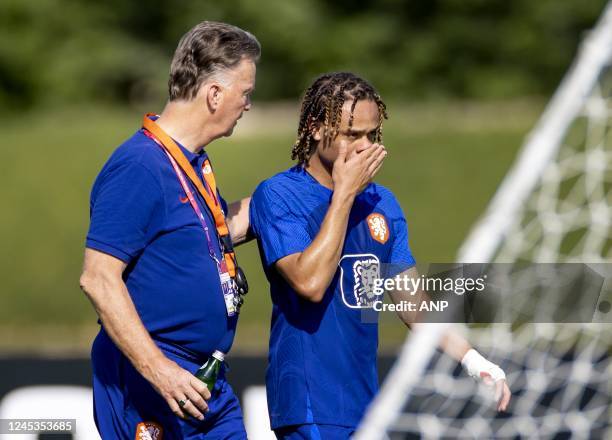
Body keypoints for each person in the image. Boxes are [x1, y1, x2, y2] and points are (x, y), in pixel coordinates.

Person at [249, 72, 511, 439]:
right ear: (314, 128)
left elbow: (414, 305)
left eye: (372, 134)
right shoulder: (279, 195)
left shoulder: (382, 202)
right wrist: (343, 194)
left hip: (366, 403)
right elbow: (309, 283)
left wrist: (472, 360)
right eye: (351, 135)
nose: (364, 146)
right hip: (309, 404)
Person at [79, 21, 259, 439]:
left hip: (206, 380)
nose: (247, 104)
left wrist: (306, 192)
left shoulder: (190, 162)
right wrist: (160, 372)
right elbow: (97, 277)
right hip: (153, 383)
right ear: (214, 94)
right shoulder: (140, 166)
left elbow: (209, 233)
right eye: (245, 93)